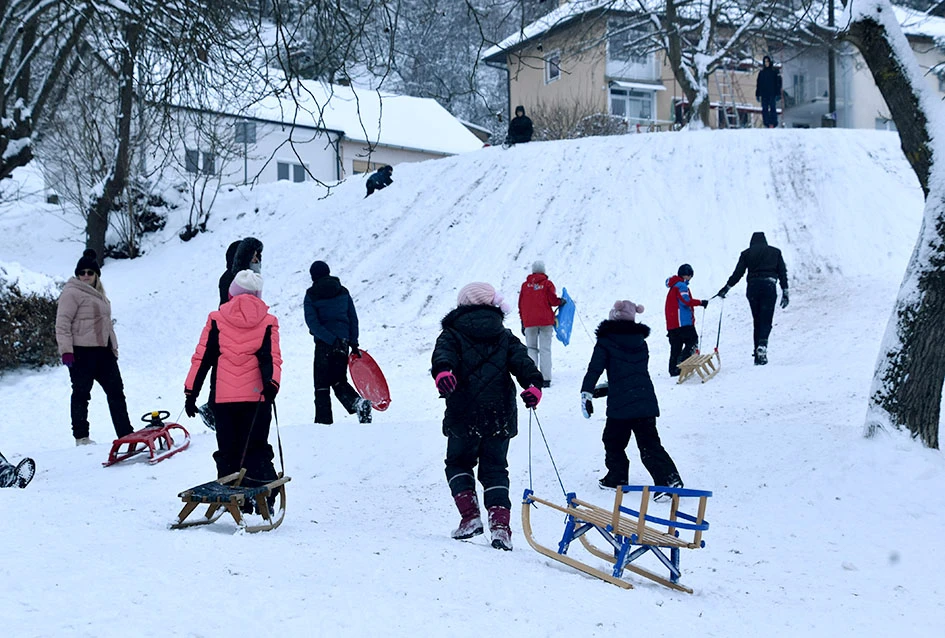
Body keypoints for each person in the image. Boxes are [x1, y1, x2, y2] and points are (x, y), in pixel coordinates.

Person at [432, 282, 544, 551]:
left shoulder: (451, 334)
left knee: (458, 463)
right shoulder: (504, 335)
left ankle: (470, 518)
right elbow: (523, 362)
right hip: (499, 413)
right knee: (495, 469)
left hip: (464, 412)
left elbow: (442, 357)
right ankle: (501, 528)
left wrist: (443, 373)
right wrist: (533, 386)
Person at [184, 269, 282, 499]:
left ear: (232, 292)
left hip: (224, 400)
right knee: (256, 447)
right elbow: (271, 357)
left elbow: (203, 357)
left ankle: (231, 497)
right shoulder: (268, 321)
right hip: (256, 397)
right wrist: (272, 384)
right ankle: (263, 491)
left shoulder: (217, 319)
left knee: (228, 450)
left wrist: (191, 393)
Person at [580, 300, 683, 500]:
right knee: (649, 443)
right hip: (644, 400)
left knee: (613, 440)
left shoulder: (606, 340)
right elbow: (630, 373)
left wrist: (587, 392)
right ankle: (669, 479)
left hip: (621, 406)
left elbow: (595, 369)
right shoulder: (640, 342)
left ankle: (617, 478)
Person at [55, 249, 134, 446]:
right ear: (77, 274)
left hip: (103, 352)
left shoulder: (99, 295)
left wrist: (113, 348)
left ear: (96, 275)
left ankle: (126, 433)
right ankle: (81, 437)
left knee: (116, 392)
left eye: (90, 272)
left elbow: (106, 324)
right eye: (82, 272)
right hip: (81, 352)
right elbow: (62, 323)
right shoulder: (72, 293)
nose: (86, 276)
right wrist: (66, 351)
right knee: (82, 394)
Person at [303, 260, 372, 425]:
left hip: (324, 345)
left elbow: (313, 323)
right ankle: (357, 403)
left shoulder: (311, 294)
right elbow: (352, 318)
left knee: (321, 385)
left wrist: (329, 340)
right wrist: (353, 343)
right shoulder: (343, 291)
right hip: (343, 344)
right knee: (339, 380)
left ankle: (323, 423)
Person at [717, 231, 789, 365]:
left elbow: (738, 273)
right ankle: (762, 345)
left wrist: (726, 288)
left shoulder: (747, 254)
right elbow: (782, 272)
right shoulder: (775, 252)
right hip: (769, 286)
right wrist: (785, 291)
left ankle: (758, 354)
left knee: (757, 320)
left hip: (753, 288)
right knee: (766, 318)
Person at [518, 260, 564, 387]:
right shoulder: (547, 284)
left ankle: (533, 377)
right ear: (543, 270)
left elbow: (521, 304)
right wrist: (561, 301)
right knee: (545, 349)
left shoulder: (524, 286)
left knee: (531, 349)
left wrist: (523, 321)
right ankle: (546, 379)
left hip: (529, 322)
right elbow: (553, 301)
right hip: (545, 322)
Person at [664, 264, 708, 377]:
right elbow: (686, 301)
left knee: (676, 346)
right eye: (690, 276)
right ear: (686, 275)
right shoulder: (681, 286)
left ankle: (673, 369)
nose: (690, 279)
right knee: (693, 341)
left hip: (672, 324)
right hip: (682, 323)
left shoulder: (673, 286)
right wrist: (701, 302)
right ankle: (682, 363)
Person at [756, 55, 782, 128]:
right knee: (765, 109)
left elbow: (778, 84)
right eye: (765, 62)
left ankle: (773, 122)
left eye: (767, 61)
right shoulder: (761, 73)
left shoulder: (774, 72)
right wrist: (757, 94)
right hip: (764, 94)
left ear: (770, 62)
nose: (766, 63)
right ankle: (766, 123)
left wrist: (778, 94)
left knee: (773, 108)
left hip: (772, 94)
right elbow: (758, 84)